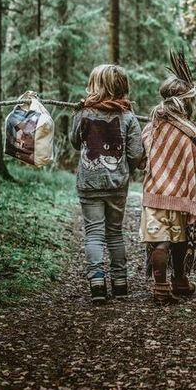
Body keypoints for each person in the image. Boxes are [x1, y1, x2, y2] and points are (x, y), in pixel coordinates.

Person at [70, 64, 143, 303]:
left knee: (93, 233)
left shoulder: (82, 113)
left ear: (96, 86)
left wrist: (77, 114)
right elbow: (135, 153)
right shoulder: (128, 116)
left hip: (89, 184)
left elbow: (73, 141)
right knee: (114, 233)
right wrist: (124, 171)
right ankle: (120, 284)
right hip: (116, 184)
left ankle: (98, 283)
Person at [139, 52, 196, 305]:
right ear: (187, 103)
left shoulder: (151, 127)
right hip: (181, 197)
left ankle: (160, 286)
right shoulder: (189, 132)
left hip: (155, 195)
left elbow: (142, 157)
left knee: (159, 241)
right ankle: (180, 279)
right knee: (180, 240)